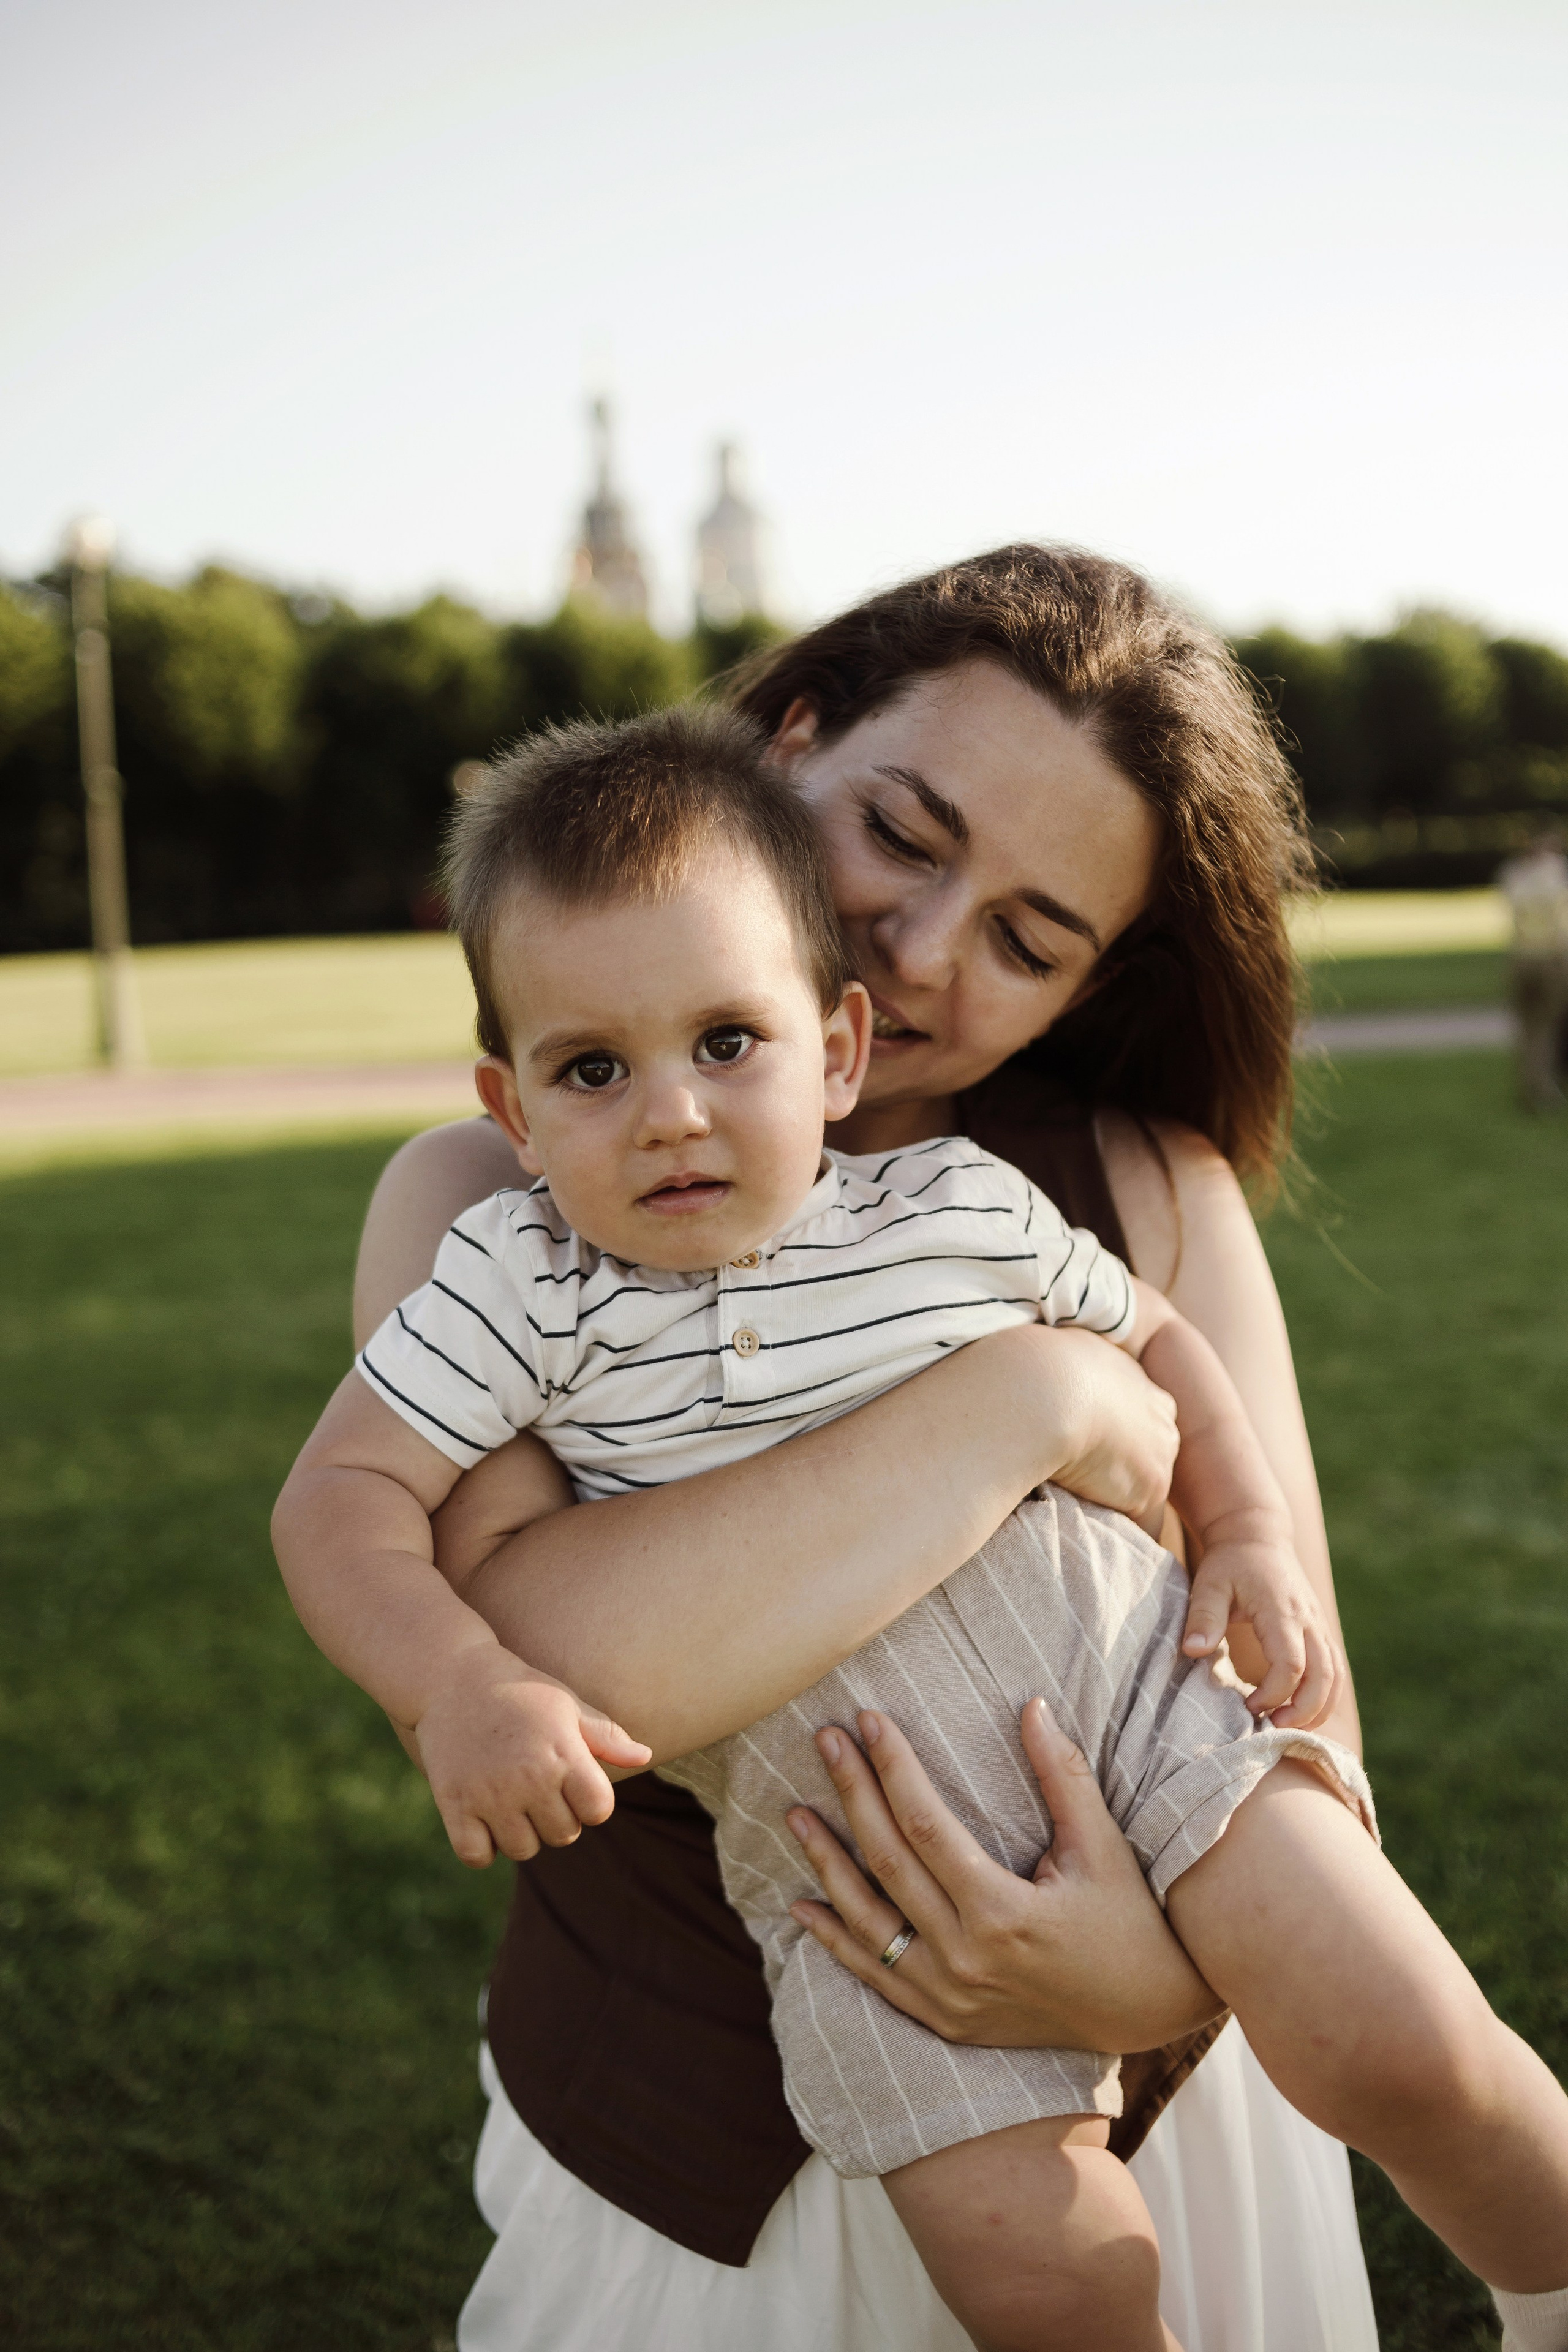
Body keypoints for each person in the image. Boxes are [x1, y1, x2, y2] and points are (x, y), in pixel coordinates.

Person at [298, 691, 1568, 2351]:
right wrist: (450, 1684)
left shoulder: (958, 1205)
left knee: (1419, 2052)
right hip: (853, 1862)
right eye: (596, 1068)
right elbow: (343, 1500)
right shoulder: (518, 1275)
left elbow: (1162, 1351)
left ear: (826, 1050)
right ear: (515, 1104)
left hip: (1133, 1698)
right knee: (1050, 2276)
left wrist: (1244, 1527)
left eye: (725, 1043)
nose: (673, 1111)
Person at [1498, 821, 1568, 1110]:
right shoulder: (1557, 872)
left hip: (1521, 956)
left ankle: (1533, 1083)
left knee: (1530, 1028)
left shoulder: (1514, 874)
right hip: (1551, 958)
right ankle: (1544, 1088)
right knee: (1548, 1026)